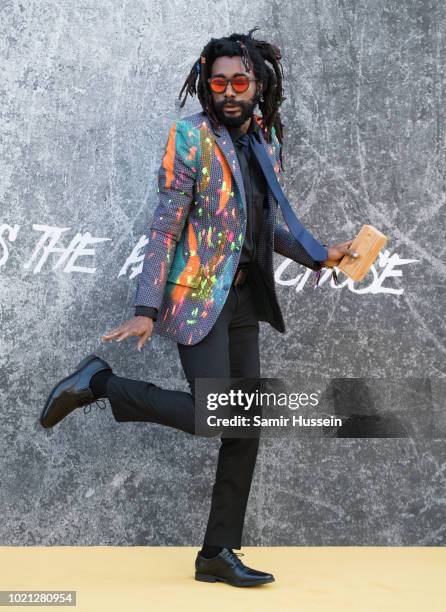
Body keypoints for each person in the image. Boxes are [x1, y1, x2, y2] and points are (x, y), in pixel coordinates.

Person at [40, 28, 358, 588]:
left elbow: (264, 226)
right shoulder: (188, 138)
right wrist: (145, 307)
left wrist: (319, 256)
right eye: (219, 83)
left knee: (244, 423)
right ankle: (101, 384)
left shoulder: (265, 138)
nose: (230, 92)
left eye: (240, 81)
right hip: (197, 298)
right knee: (216, 416)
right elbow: (165, 227)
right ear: (207, 87)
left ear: (258, 84)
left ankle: (217, 552)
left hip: (245, 298)